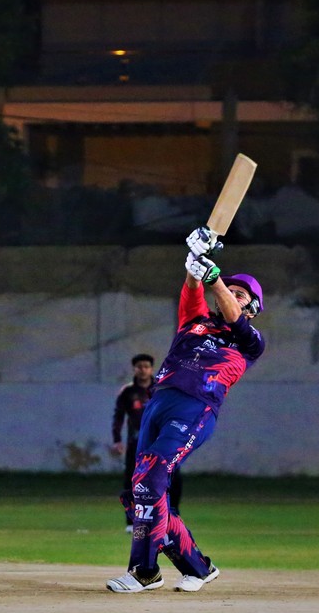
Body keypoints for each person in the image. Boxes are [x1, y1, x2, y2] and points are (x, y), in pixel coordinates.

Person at [106, 227, 266, 594]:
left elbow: (229, 309)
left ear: (252, 308)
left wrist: (214, 277)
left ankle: (145, 572)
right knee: (139, 492)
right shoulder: (195, 321)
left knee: (151, 478)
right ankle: (198, 567)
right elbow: (193, 285)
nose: (231, 295)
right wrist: (195, 259)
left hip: (195, 407)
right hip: (159, 402)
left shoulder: (250, 342)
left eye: (240, 294)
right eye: (229, 289)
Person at [111, 353, 183, 531]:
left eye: (146, 366)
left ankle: (171, 516)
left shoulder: (162, 388)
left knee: (173, 477)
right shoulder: (128, 392)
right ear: (134, 369)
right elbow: (118, 416)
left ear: (151, 369)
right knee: (133, 480)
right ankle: (132, 521)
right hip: (136, 443)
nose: (143, 370)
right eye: (139, 367)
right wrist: (117, 439)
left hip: (162, 442)